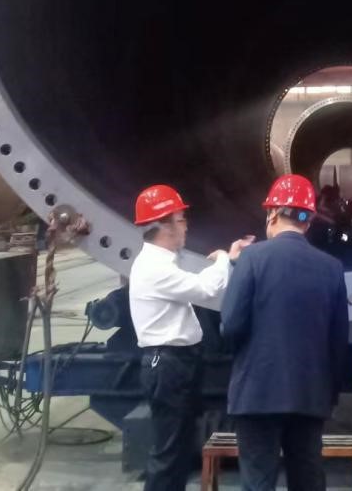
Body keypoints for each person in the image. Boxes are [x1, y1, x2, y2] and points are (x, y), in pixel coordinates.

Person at [221, 174, 350, 491]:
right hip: (309, 395)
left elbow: (231, 325)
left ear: (273, 213)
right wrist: (329, 393)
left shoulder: (251, 258)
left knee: (258, 481)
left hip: (257, 394)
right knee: (307, 478)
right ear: (308, 221)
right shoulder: (331, 267)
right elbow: (337, 342)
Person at [129, 184, 252, 491]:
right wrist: (224, 259)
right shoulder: (154, 268)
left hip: (176, 363)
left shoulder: (163, 263)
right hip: (168, 365)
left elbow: (195, 284)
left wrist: (229, 260)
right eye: (181, 219)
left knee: (179, 448)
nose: (186, 226)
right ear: (164, 225)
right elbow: (205, 290)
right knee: (169, 453)